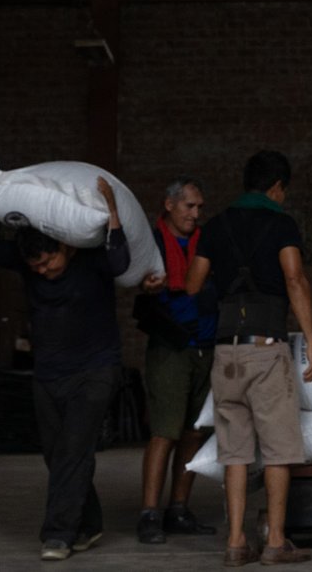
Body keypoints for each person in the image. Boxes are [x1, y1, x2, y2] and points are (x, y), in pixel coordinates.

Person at [0, 177, 151, 561]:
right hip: (48, 373)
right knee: (56, 455)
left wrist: (111, 210)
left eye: (47, 261)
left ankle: (58, 534)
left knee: (74, 451)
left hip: (95, 370)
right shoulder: (30, 265)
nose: (43, 270)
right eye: (36, 266)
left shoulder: (91, 259)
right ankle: (88, 524)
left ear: (66, 246)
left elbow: (121, 261)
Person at [183, 151, 312, 567]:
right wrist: (311, 340)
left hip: (226, 350)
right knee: (278, 450)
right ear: (277, 187)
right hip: (266, 348)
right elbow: (294, 277)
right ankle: (275, 542)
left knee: (235, 452)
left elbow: (192, 285)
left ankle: (235, 543)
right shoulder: (281, 224)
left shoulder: (215, 226)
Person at [135, 177, 216, 544]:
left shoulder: (206, 242)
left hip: (207, 346)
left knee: (194, 432)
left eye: (199, 208)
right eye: (189, 206)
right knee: (165, 432)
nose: (195, 214)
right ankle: (149, 514)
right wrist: (145, 286)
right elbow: (132, 279)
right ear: (169, 205)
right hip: (171, 347)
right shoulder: (150, 243)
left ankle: (178, 510)